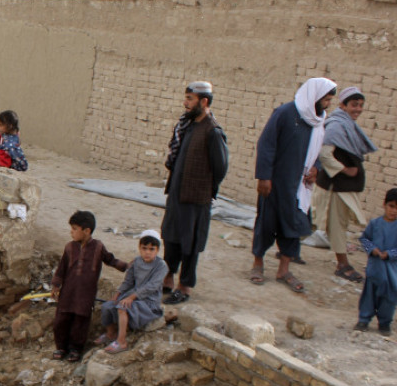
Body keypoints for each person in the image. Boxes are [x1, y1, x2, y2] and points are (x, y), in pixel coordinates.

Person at [249, 78, 337, 293]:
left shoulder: (319, 121)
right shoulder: (286, 113)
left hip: (299, 188)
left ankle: (283, 270)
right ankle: (258, 264)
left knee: (293, 226)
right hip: (276, 183)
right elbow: (266, 144)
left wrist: (316, 168)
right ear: (315, 96)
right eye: (325, 99)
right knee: (267, 223)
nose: (327, 103)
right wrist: (264, 177)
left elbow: (319, 151)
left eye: (329, 100)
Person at [160, 81, 229, 305]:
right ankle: (168, 277)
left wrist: (202, 188)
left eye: (190, 99)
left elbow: (220, 168)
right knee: (171, 237)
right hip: (177, 194)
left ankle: (185, 286)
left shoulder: (213, 132)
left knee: (190, 243)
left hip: (196, 199)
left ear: (204, 102)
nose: (185, 103)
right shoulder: (187, 125)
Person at [312, 86, 377, 282]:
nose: (358, 109)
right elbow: (324, 154)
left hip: (345, 187)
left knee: (331, 222)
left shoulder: (347, 124)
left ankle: (288, 250)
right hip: (337, 186)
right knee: (337, 225)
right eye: (354, 105)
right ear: (343, 105)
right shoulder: (337, 125)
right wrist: (344, 169)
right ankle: (342, 264)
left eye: (361, 105)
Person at [50, 211, 128, 362]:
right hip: (68, 293)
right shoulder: (69, 247)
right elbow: (61, 268)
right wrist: (55, 286)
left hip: (86, 294)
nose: (71, 232)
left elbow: (110, 260)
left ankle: (75, 349)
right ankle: (61, 347)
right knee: (61, 320)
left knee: (81, 322)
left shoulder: (98, 247)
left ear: (86, 231)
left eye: (74, 229)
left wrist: (127, 266)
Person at [98, 229, 169, 354]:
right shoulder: (136, 262)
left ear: (157, 250)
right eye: (144, 248)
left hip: (148, 300)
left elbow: (152, 286)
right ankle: (110, 333)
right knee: (107, 306)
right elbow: (128, 281)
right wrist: (117, 294)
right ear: (139, 248)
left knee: (122, 307)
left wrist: (132, 297)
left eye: (152, 249)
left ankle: (122, 342)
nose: (147, 252)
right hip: (133, 295)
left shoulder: (161, 266)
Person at [355, 188, 397, 335]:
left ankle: (385, 323)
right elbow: (364, 238)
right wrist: (372, 249)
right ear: (385, 205)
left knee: (389, 297)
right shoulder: (375, 223)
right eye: (391, 206)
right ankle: (364, 319)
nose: (394, 211)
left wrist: (390, 254)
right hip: (375, 268)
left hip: (391, 271)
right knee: (369, 295)